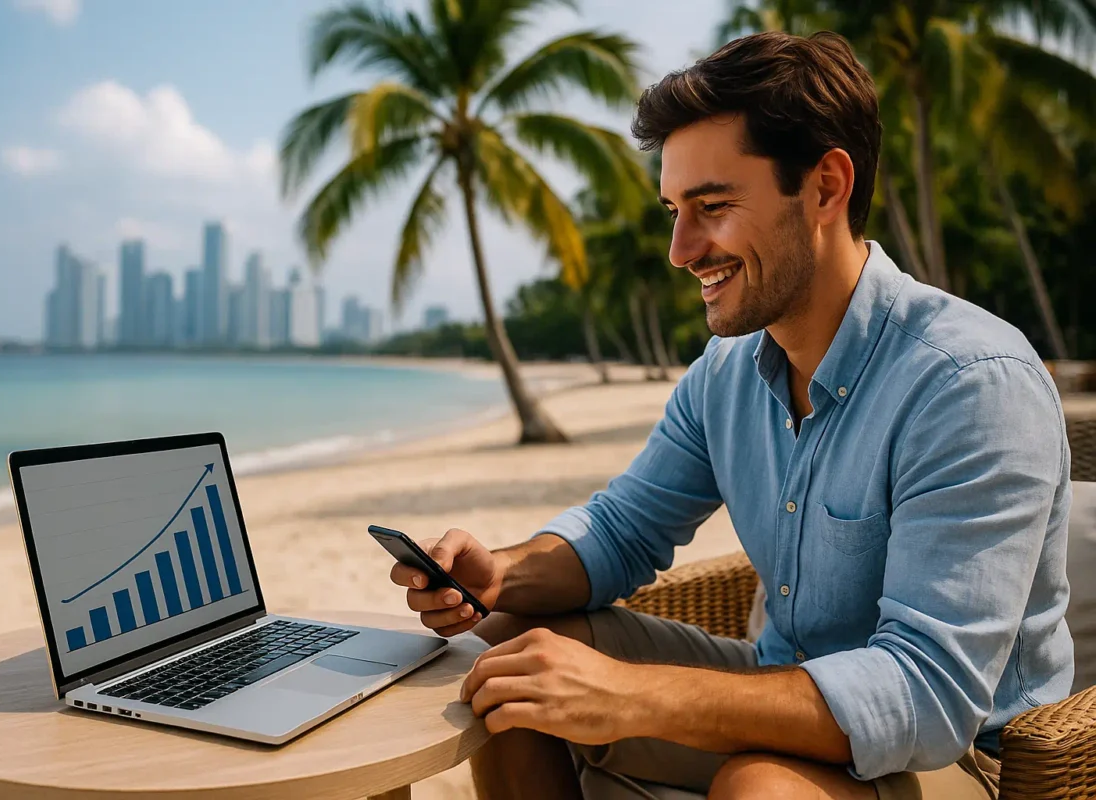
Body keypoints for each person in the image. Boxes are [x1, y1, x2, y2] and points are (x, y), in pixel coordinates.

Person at [390, 30, 1073, 800]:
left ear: (825, 187)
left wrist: (633, 694)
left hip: (968, 756)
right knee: (513, 656)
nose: (682, 249)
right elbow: (621, 531)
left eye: (711, 206)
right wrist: (504, 572)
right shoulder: (728, 372)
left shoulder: (971, 385)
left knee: (763, 789)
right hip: (783, 682)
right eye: (674, 210)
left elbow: (926, 694)